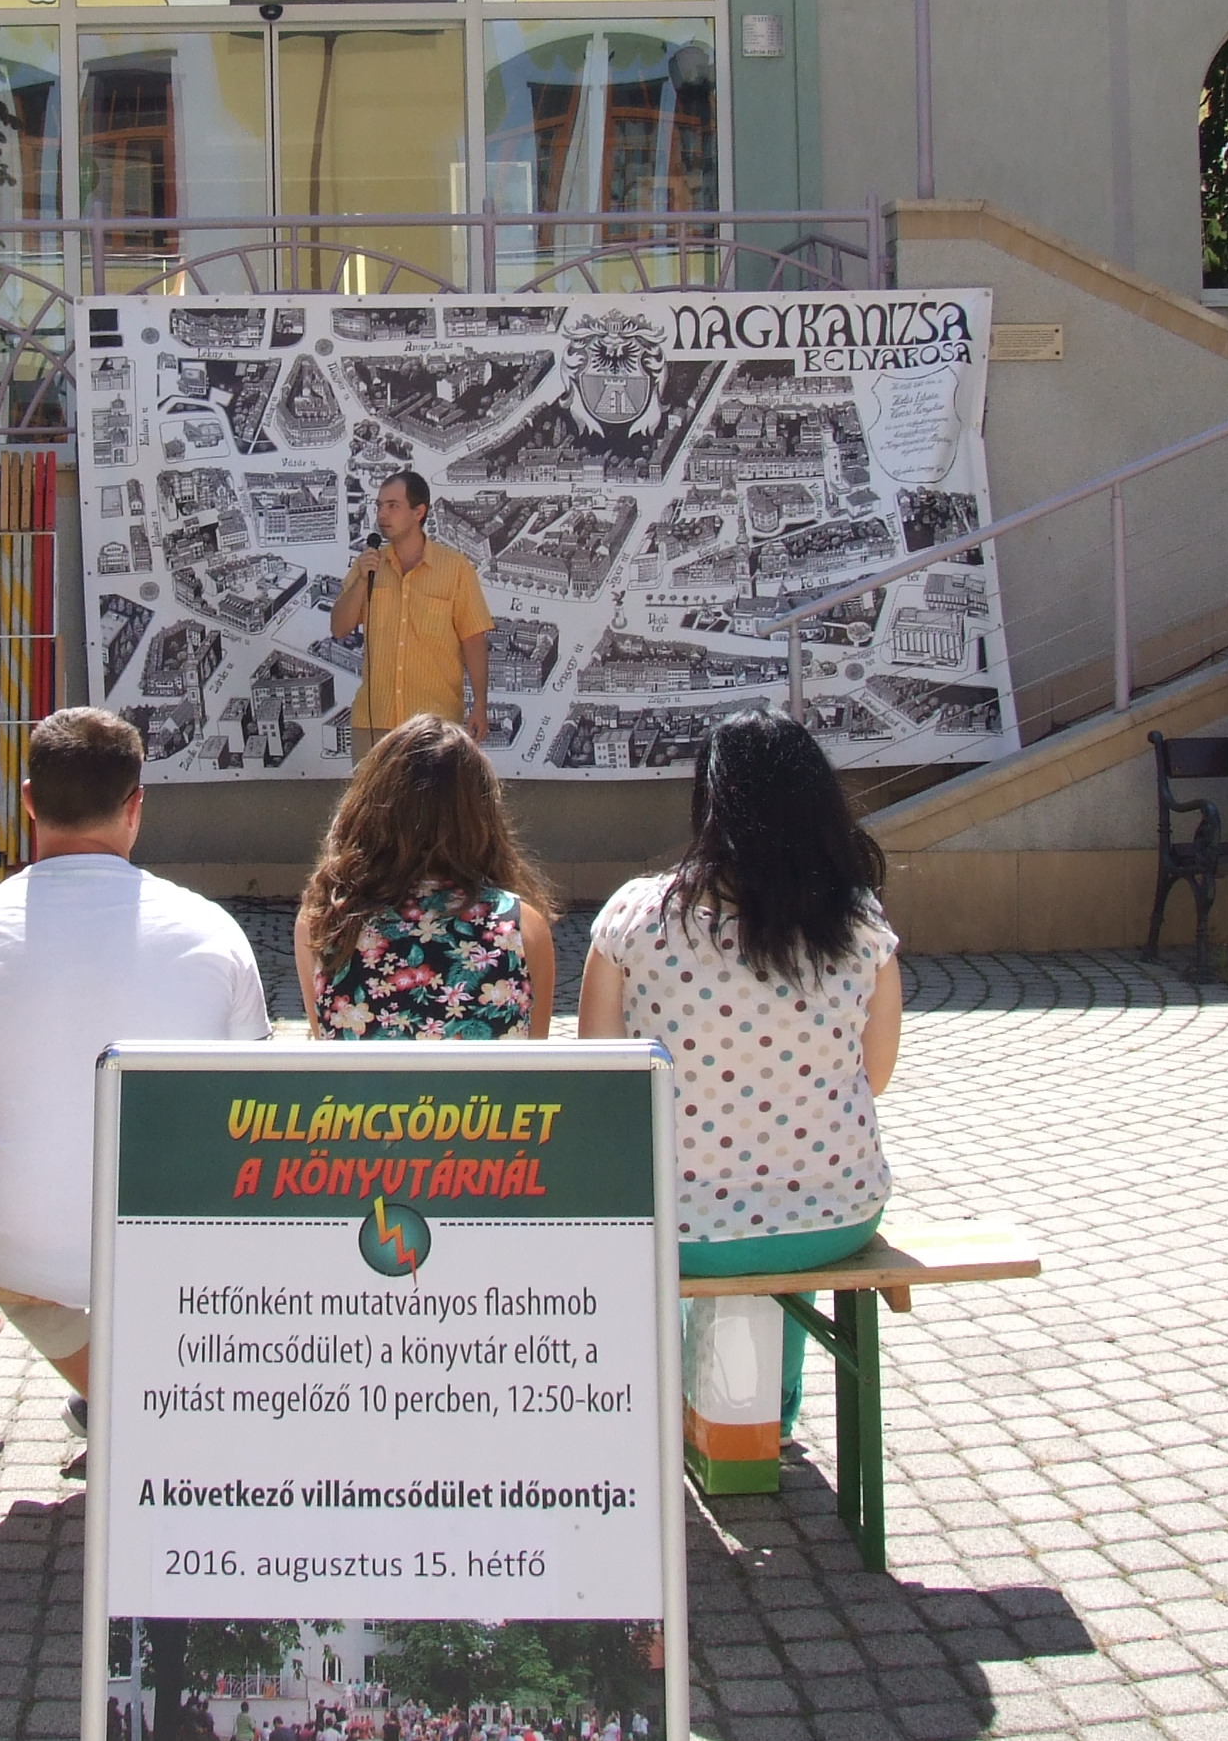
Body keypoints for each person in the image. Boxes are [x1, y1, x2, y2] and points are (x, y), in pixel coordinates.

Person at [0, 707, 269, 1419]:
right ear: (136, 807)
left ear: (28, 801)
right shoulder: (215, 933)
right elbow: (247, 1108)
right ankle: (146, 1397)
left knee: (10, 1249)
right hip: (181, 1243)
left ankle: (114, 1397)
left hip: (22, 1246)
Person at [580, 712, 902, 1428]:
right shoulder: (857, 923)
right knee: (788, 1189)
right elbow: (875, 1075)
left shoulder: (635, 916)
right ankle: (766, 1414)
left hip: (675, 1220)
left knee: (688, 1221)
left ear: (709, 800)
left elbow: (603, 1076)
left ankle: (680, 1410)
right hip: (835, 1213)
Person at [292, 715, 560, 1039]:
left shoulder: (325, 922)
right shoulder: (522, 928)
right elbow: (534, 1056)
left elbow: (325, 1041)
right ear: (481, 814)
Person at [326, 469, 497, 751]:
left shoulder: (455, 568)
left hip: (435, 726)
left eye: (393, 506)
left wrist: (480, 704)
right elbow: (339, 628)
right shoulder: (368, 565)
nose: (382, 514)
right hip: (375, 723)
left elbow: (473, 639)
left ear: (419, 512)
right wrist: (361, 581)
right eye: (379, 505)